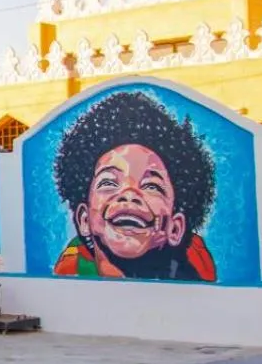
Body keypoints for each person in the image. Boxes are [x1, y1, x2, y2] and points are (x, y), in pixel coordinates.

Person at [50, 89, 218, 282]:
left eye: (151, 186)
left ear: (175, 228)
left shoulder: (198, 272)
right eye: (109, 182)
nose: (129, 195)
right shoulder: (71, 270)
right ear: (84, 219)